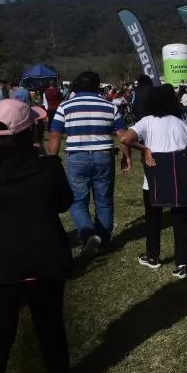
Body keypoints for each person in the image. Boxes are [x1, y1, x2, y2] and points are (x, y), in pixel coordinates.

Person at [0, 100, 74, 373]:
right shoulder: (48, 167)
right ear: (29, 131)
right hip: (43, 260)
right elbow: (63, 202)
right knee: (49, 326)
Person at [47, 71, 130, 257]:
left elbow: (54, 134)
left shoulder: (65, 106)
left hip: (77, 157)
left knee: (77, 200)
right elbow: (123, 136)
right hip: (104, 156)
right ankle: (103, 240)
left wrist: (52, 160)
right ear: (98, 86)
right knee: (104, 200)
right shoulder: (110, 106)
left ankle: (88, 234)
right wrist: (127, 157)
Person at [119, 85, 187, 279]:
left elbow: (125, 139)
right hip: (179, 178)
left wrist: (144, 149)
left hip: (153, 181)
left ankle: (152, 256)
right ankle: (182, 264)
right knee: (180, 221)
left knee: (153, 219)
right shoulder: (181, 123)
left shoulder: (147, 122)